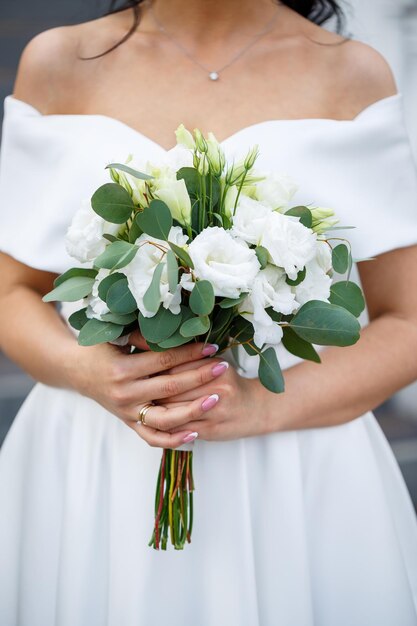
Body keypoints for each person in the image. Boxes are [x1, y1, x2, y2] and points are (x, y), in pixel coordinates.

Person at [0, 1, 416, 624]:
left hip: (293, 461)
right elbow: (12, 292)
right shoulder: (61, 62)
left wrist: (265, 406)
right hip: (96, 450)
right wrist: (89, 371)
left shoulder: (353, 75)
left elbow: (406, 320)